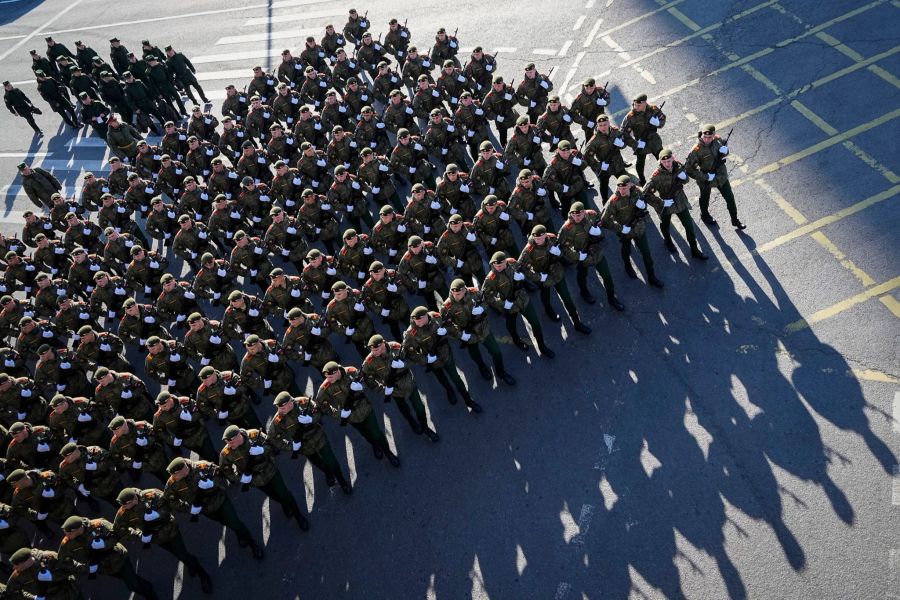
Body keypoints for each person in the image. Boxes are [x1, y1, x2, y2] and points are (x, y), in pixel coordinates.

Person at [112, 487, 213, 593]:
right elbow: (119, 529)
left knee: (182, 554)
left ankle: (202, 574)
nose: (123, 507)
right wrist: (139, 535)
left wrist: (158, 515)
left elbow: (170, 505)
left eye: (125, 504)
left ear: (133, 500)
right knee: (176, 553)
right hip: (156, 538)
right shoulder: (124, 512)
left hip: (170, 530)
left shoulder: (152, 495)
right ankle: (190, 563)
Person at [218, 425, 309, 530]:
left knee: (284, 494)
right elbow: (226, 471)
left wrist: (262, 450)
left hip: (270, 470)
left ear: (239, 435)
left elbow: (272, 446)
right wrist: (241, 478)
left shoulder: (255, 434)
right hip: (256, 480)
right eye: (227, 442)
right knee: (274, 495)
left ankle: (298, 515)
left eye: (231, 441)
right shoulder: (226, 453)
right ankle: (285, 505)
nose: (229, 444)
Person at [315, 361, 400, 467]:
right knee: (366, 434)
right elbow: (321, 406)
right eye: (327, 377)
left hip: (365, 408)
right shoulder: (325, 388)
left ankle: (389, 453)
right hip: (351, 416)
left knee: (377, 433)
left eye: (330, 377)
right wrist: (339, 413)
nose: (328, 379)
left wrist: (361, 387)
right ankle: (374, 445)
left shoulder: (351, 372)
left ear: (337, 372)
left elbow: (367, 382)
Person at [268, 391, 353, 494]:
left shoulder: (303, 402)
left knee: (331, 461)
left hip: (318, 437)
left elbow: (320, 411)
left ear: (290, 402)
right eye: (279, 408)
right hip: (304, 446)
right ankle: (328, 473)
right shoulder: (279, 419)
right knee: (318, 463)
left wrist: (311, 419)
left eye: (282, 408)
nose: (280, 411)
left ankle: (342, 481)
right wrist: (291, 447)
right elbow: (272, 437)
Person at [362, 334, 439, 441]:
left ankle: (426, 428)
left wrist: (403, 364)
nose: (374, 352)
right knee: (404, 409)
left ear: (383, 344)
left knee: (420, 407)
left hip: (408, 382)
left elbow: (411, 358)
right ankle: (412, 422)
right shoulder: (369, 361)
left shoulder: (396, 347)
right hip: (394, 389)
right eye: (372, 350)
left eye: (376, 349)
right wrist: (383, 389)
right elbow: (368, 379)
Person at [642, 148, 709, 259]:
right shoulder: (656, 177)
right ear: (660, 162)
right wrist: (662, 202)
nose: (667, 164)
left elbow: (686, 180)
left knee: (689, 226)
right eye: (664, 162)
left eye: (669, 161)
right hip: (666, 205)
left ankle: (694, 249)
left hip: (680, 201)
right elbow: (645, 194)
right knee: (665, 225)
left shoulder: (678, 167)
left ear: (673, 158)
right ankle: (667, 241)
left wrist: (685, 178)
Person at [600, 175, 664, 288]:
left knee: (646, 253)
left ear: (630, 185)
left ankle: (651, 276)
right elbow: (604, 221)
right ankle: (627, 266)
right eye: (620, 188)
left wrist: (644, 206)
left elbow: (648, 200)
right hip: (625, 230)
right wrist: (620, 228)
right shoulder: (613, 201)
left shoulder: (638, 192)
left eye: (624, 188)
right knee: (626, 251)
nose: (622, 191)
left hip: (639, 228)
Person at [684, 123, 746, 230]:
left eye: (709, 137)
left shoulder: (717, 140)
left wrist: (726, 151)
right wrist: (705, 176)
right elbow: (688, 169)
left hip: (721, 175)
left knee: (730, 198)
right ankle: (704, 215)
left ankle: (735, 220)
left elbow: (723, 149)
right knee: (704, 198)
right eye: (705, 137)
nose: (707, 140)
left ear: (713, 136)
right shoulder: (696, 151)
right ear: (701, 135)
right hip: (705, 178)